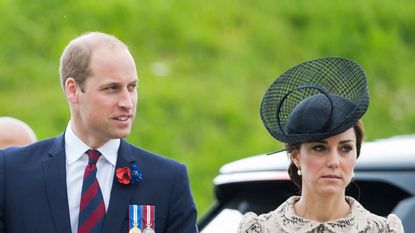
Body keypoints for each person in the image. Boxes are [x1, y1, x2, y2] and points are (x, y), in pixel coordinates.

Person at [0, 32, 199, 233]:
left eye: (132, 87)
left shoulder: (168, 180)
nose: (127, 103)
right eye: (112, 88)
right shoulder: (10, 171)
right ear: (73, 90)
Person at [238, 57, 404, 233]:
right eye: (319, 148)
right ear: (296, 156)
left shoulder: (384, 231)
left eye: (345, 148)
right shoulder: (260, 230)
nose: (334, 161)